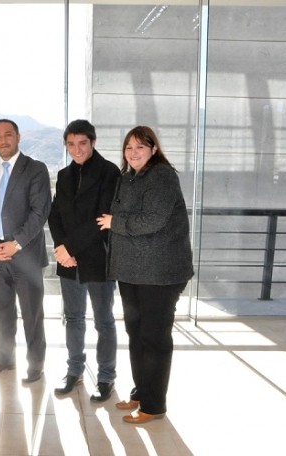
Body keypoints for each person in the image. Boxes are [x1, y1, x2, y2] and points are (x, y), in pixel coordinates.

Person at [97, 125, 194, 424]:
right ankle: (141, 392)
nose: (133, 152)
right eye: (129, 147)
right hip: (132, 271)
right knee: (136, 335)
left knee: (154, 337)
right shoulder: (129, 178)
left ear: (154, 149)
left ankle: (154, 405)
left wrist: (115, 222)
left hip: (160, 273)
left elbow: (153, 219)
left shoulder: (163, 175)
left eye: (140, 146)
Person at [0, 119, 51, 384]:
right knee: (1, 313)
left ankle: (35, 365)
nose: (3, 140)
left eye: (8, 134)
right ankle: (5, 359)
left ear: (18, 136)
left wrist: (14, 243)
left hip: (25, 256)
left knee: (32, 314)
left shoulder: (36, 169)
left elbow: (40, 212)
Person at [48, 119, 119, 402]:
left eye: (82, 143)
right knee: (74, 318)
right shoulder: (64, 175)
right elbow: (55, 215)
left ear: (93, 142)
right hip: (69, 261)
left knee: (104, 321)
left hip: (98, 258)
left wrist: (69, 247)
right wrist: (61, 248)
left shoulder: (110, 172)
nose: (76, 149)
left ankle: (106, 377)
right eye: (70, 144)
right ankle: (74, 371)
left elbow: (102, 219)